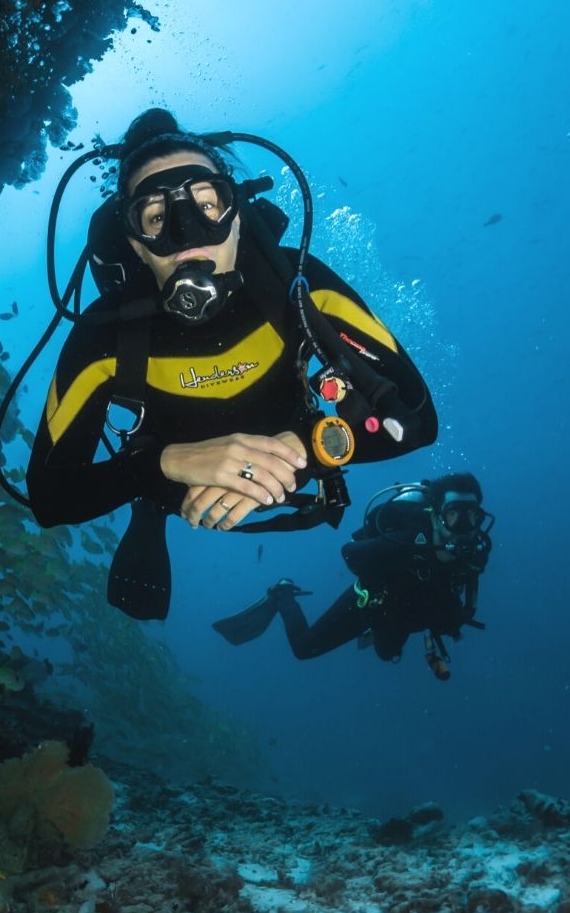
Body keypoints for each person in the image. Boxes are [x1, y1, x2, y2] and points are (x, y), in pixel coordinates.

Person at [24, 108, 438, 618]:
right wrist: (163, 465)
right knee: (150, 491)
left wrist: (309, 448)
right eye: (155, 217)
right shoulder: (104, 335)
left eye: (207, 204)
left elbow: (418, 418)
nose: (186, 233)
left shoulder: (300, 287)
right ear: (134, 242)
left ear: (238, 214)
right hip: (170, 484)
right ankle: (150, 508)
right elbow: (50, 496)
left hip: (300, 453)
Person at [213, 474, 494, 680]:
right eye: (454, 514)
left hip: (412, 611)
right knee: (304, 649)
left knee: (386, 654)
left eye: (473, 516)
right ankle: (282, 594)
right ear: (435, 516)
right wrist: (389, 572)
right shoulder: (405, 540)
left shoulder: (474, 553)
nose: (465, 526)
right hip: (371, 605)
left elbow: (465, 596)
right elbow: (350, 552)